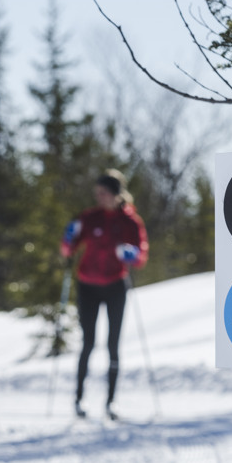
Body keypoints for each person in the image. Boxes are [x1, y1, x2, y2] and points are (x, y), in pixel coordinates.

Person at [60, 169, 149, 420]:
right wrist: (68, 238)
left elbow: (141, 256)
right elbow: (68, 250)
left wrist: (132, 253)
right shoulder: (89, 218)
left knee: (113, 344)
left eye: (103, 194)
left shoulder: (131, 222)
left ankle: (111, 401)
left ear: (116, 195)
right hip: (87, 285)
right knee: (87, 343)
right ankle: (78, 398)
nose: (99, 198)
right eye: (97, 194)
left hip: (115, 286)